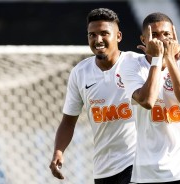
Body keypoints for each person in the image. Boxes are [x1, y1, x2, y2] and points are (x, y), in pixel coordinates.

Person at [119, 12, 180, 184]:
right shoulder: (131, 66)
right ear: (143, 39)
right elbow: (147, 101)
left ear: (175, 36)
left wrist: (169, 60)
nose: (162, 40)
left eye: (167, 34)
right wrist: (157, 61)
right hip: (149, 171)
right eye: (155, 35)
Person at [49, 8, 136, 184]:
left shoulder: (137, 63)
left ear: (118, 36)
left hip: (136, 163)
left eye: (104, 33)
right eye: (92, 35)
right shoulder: (80, 73)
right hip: (103, 168)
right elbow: (68, 120)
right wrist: (58, 151)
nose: (98, 40)